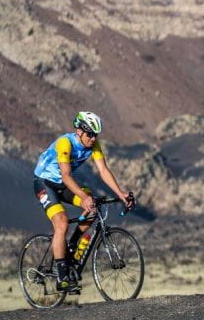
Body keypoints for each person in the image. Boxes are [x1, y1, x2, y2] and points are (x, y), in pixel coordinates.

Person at [33, 111, 134, 292]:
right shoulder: (66, 143)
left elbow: (103, 170)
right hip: (45, 183)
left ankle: (72, 244)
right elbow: (65, 175)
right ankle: (62, 275)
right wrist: (83, 196)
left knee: (93, 207)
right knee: (62, 223)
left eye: (95, 135)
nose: (93, 139)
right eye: (89, 134)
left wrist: (120, 193)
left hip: (64, 185)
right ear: (79, 131)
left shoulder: (93, 145)